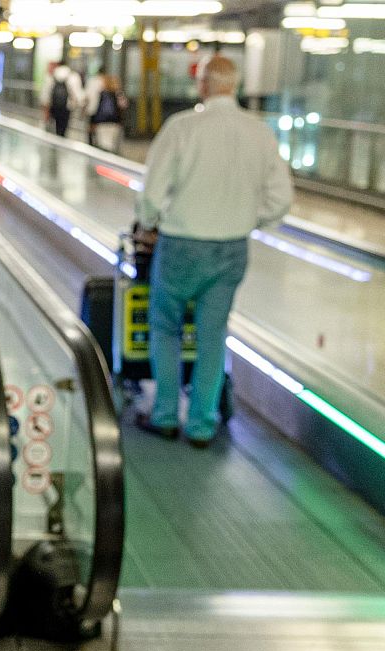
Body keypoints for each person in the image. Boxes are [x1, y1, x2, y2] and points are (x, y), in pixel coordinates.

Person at [135, 56, 292, 447]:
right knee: (212, 335)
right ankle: (203, 425)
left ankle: (166, 415)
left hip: (182, 245)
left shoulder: (182, 127)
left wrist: (148, 222)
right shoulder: (260, 132)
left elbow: (152, 193)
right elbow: (281, 199)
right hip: (231, 249)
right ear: (234, 85)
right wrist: (248, 220)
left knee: (166, 328)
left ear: (203, 84)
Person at [89, 72, 128, 152]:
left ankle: (103, 162)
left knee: (102, 144)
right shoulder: (118, 94)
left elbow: (95, 108)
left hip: (101, 123)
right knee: (111, 145)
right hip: (114, 122)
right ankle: (110, 160)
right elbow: (124, 105)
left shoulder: (100, 93)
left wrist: (92, 122)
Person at [43, 61, 83, 138]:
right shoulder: (72, 76)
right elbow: (77, 93)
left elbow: (46, 93)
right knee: (63, 126)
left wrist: (45, 107)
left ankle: (53, 141)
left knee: (54, 125)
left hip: (53, 105)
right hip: (66, 106)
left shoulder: (52, 75)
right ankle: (61, 138)